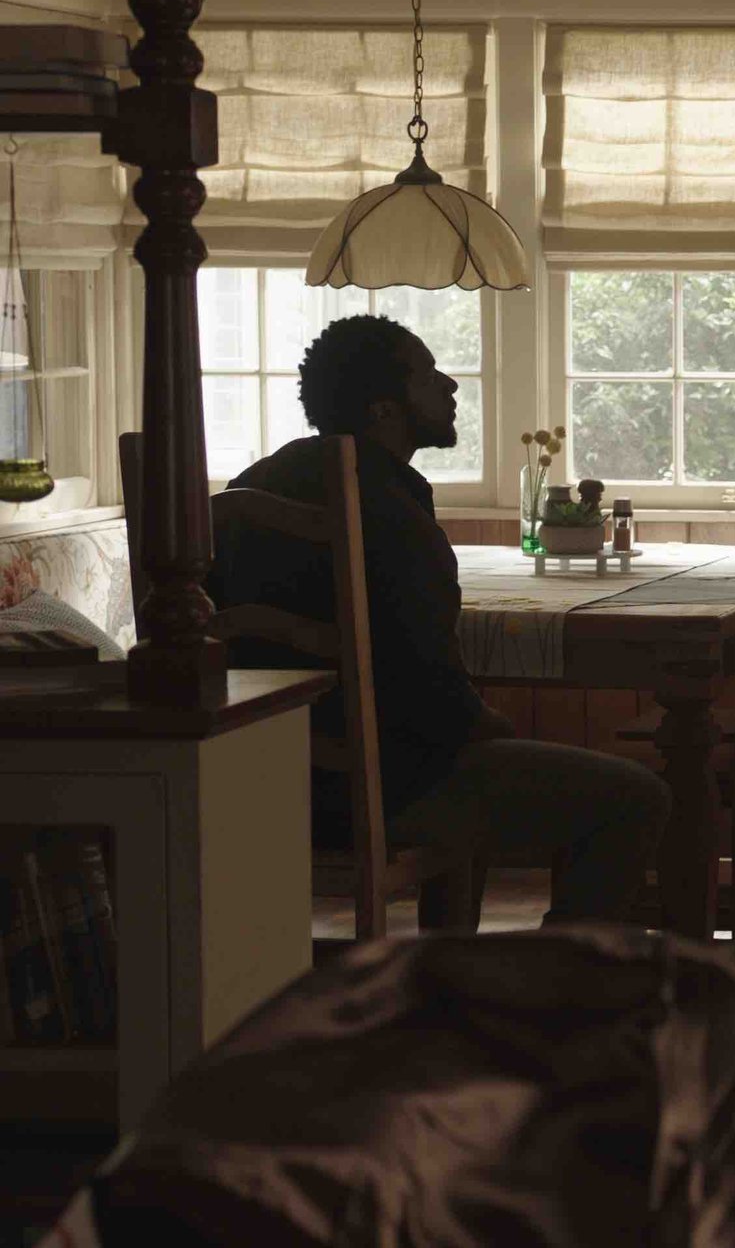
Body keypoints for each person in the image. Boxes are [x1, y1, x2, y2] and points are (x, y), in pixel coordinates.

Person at [213, 314, 670, 925]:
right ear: (384, 409)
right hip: (379, 792)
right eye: (428, 375)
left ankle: (452, 967)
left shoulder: (247, 491)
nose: (450, 386)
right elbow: (427, 685)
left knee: (475, 742)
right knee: (634, 796)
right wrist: (492, 726)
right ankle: (559, 991)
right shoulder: (392, 509)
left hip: (254, 782)